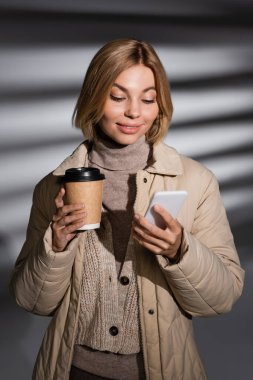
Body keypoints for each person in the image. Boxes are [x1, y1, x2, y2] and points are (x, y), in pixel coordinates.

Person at [9, 39, 244, 380]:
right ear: (94, 97)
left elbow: (220, 299)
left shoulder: (195, 182)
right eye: (118, 97)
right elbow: (33, 302)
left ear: (159, 104)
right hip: (72, 371)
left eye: (148, 98)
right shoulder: (53, 187)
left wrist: (181, 251)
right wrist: (56, 247)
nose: (135, 112)